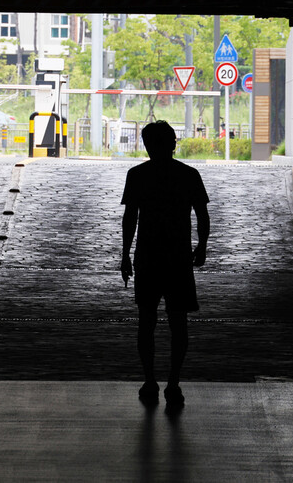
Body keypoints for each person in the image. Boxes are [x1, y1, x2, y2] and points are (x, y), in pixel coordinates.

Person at [121, 121, 210, 406]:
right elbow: (202, 216)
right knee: (178, 324)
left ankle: (149, 380)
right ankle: (173, 382)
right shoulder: (189, 175)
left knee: (146, 322)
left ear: (147, 145)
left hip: (147, 257)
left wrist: (125, 254)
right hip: (178, 258)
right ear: (173, 143)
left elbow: (130, 218)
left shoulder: (137, 175)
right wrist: (202, 246)